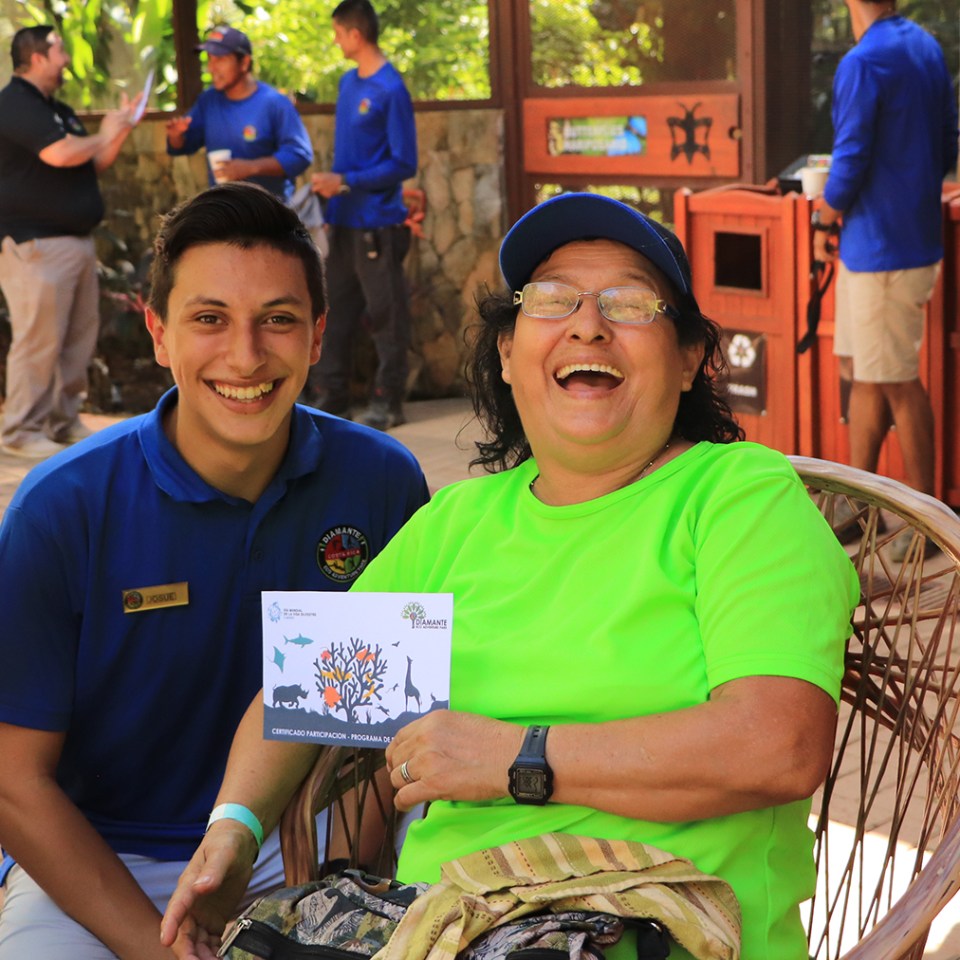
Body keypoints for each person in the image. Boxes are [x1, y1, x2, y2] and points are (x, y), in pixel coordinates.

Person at [161, 192, 860, 960]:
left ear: (691, 357)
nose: (587, 324)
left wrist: (515, 759)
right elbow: (301, 697)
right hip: (443, 927)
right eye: (553, 299)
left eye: (629, 302)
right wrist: (234, 829)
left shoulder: (735, 496)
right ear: (505, 352)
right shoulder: (461, 523)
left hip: (662, 929)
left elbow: (776, 744)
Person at [0, 182, 429, 959]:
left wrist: (336, 880)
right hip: (107, 857)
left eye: (278, 321)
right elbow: (14, 782)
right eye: (209, 320)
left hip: (307, 840)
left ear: (318, 334)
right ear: (159, 332)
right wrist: (153, 946)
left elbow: (384, 718)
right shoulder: (60, 508)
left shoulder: (382, 482)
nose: (245, 355)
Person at [813, 0, 958, 537]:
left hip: (881, 252)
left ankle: (928, 527)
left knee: (896, 381)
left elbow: (848, 161)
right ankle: (863, 505)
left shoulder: (862, 62)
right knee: (863, 373)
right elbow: (948, 142)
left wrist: (822, 218)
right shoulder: (925, 47)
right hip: (898, 241)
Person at [0, 26, 141, 459]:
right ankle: (21, 431)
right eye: (59, 50)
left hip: (75, 242)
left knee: (78, 338)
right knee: (38, 340)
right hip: (36, 244)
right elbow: (59, 154)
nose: (66, 58)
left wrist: (119, 128)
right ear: (36, 57)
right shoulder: (14, 104)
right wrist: (105, 130)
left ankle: (63, 422)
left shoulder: (57, 110)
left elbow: (90, 162)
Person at [307, 0, 418, 431]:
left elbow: (404, 163)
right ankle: (330, 395)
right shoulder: (348, 83)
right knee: (332, 310)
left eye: (337, 32)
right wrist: (334, 196)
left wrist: (346, 180)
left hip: (378, 224)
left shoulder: (391, 89)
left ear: (355, 34)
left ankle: (388, 401)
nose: (334, 40)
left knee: (387, 314)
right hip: (345, 222)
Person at [166, 26, 313, 202]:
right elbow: (183, 145)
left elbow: (299, 156)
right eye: (209, 59)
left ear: (244, 62)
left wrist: (250, 168)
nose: (211, 68)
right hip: (225, 212)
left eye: (220, 59)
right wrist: (176, 136)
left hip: (269, 215)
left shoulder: (274, 103)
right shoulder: (208, 101)